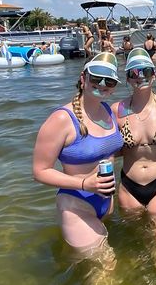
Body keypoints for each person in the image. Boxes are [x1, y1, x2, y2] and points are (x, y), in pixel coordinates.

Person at [32, 52, 123, 254]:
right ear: (83, 78)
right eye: (96, 77)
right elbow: (40, 171)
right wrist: (84, 184)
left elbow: (108, 149)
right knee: (106, 273)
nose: (102, 83)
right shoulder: (62, 119)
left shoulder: (109, 112)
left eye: (109, 80)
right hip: (77, 203)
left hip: (105, 200)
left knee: (89, 268)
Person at [111, 48, 156, 215]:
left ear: (154, 74)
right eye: (134, 73)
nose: (140, 76)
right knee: (134, 239)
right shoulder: (116, 110)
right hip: (129, 186)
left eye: (146, 71)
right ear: (127, 78)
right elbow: (104, 147)